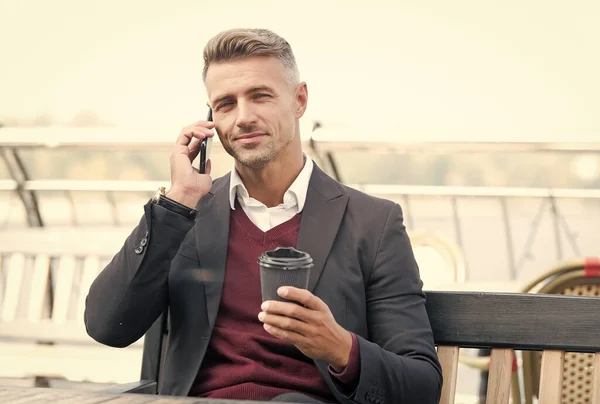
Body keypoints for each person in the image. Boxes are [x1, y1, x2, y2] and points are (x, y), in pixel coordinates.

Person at [84, 28, 442, 404]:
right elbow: (107, 326)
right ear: (210, 120)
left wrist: (341, 348)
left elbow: (421, 385)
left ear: (299, 99)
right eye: (225, 104)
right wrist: (179, 200)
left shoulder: (373, 223)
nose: (243, 118)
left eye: (260, 96)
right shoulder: (187, 215)